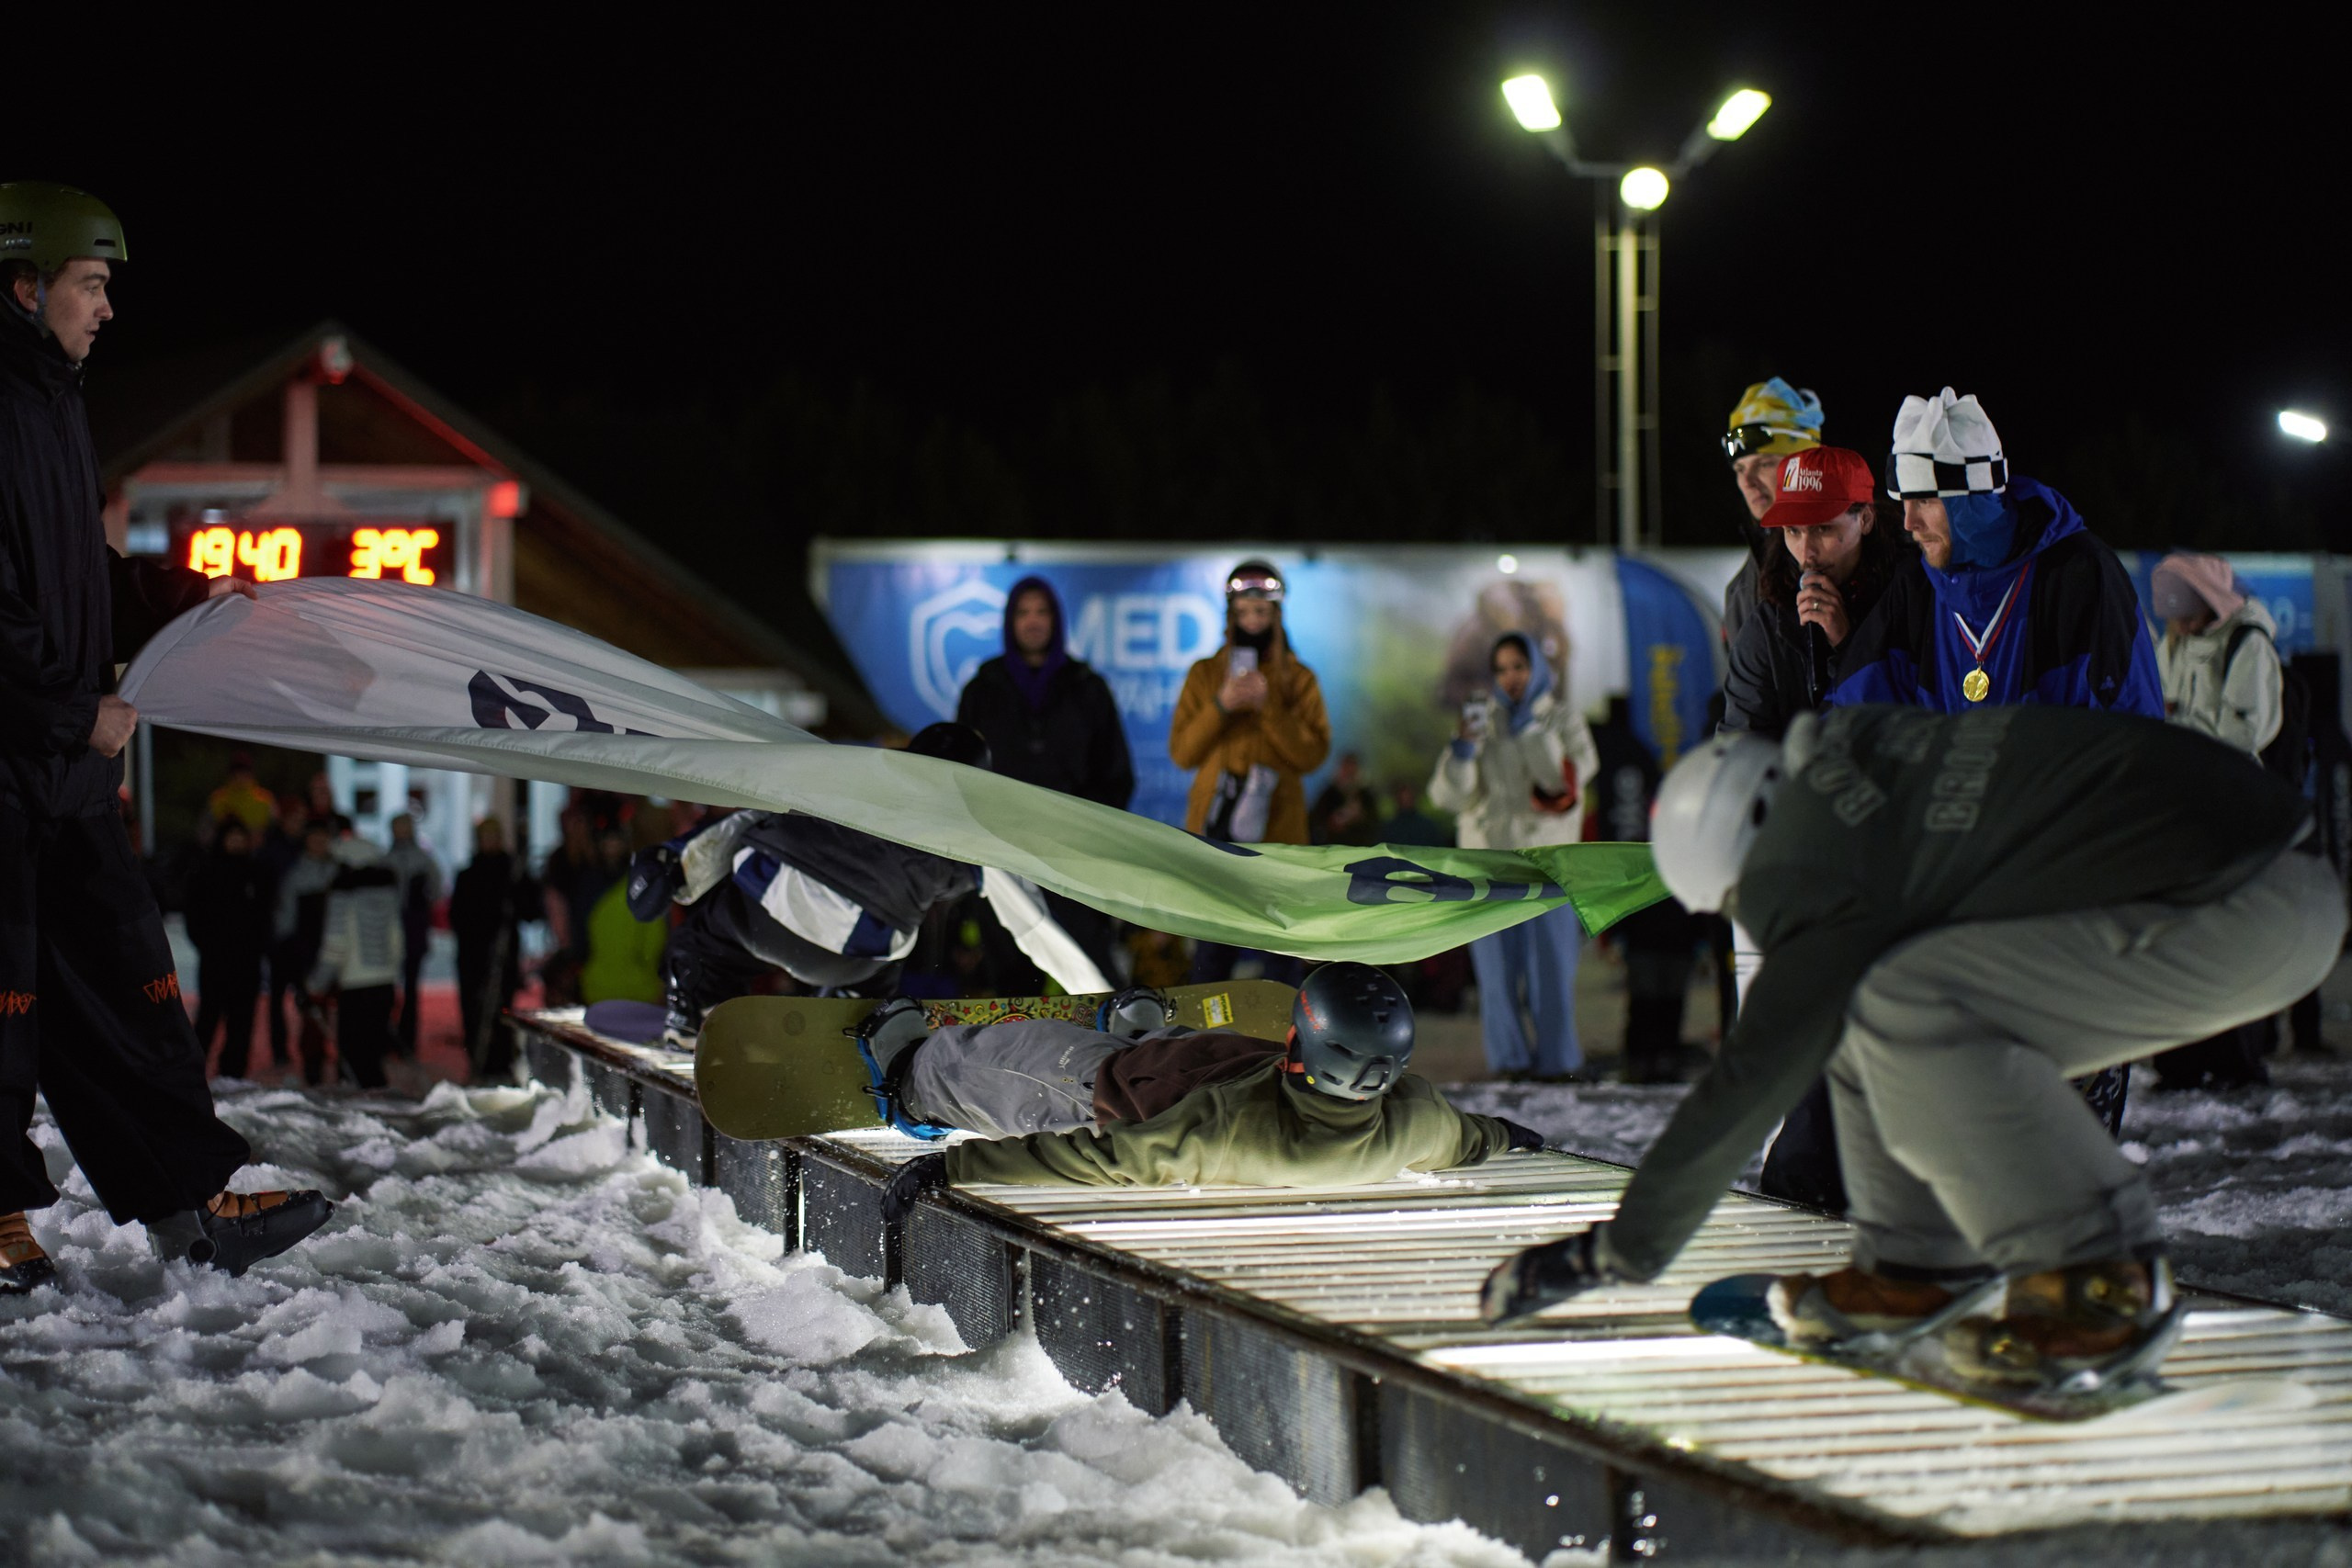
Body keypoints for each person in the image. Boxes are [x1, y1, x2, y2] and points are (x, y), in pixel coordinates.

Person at [1481, 710, 2343, 1394]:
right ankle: (1915, 1263)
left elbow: (1753, 1072)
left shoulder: (1811, 859)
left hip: (2244, 901)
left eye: (1745, 903)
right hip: (2258, 882)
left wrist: (1614, 1251)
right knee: (1883, 992)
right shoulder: (1861, 776)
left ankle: (2098, 1277)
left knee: (1897, 990)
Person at [1, 180, 330, 1291]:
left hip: (64, 775)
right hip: (16, 760)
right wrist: (69, 710)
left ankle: (195, 1194)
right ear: (23, 283)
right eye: (91, 284)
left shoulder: (52, 402)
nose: (107, 308)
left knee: (132, 987)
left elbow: (73, 580)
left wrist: (182, 596)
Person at [874, 963, 1544, 1213]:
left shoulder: (1222, 1135)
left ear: (1297, 1046)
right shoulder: (1419, 1118)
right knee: (1197, 1056)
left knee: (1005, 1058)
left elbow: (1100, 1159)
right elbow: (1468, 1136)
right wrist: (1512, 1137)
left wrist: (954, 1165)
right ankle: (1144, 1040)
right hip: (1190, 1068)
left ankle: (909, 1079)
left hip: (1106, 1095)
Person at [631, 724, 1104, 1047]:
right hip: (851, 957)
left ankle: (692, 1011)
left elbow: (750, 816)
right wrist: (1099, 996)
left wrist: (676, 863)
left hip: (762, 912)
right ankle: (848, 1034)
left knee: (705, 936)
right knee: (888, 959)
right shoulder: (970, 831)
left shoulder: (847, 767)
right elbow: (1036, 926)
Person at [1426, 634, 1600, 1080]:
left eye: (1519, 667)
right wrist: (1463, 750)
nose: (1511, 678)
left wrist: (1530, 733)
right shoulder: (1483, 720)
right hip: (1487, 870)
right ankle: (1509, 1064)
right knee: (1495, 979)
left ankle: (1558, 1064)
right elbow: (1449, 797)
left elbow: (1562, 786)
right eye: (1502, 669)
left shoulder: (1564, 721)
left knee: (1552, 975)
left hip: (1546, 868)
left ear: (1537, 669)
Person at [2148, 552, 2287, 1091]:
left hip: (2229, 809)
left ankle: (2237, 1060)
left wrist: (2181, 731)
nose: (2172, 617)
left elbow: (2243, 736)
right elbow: (2158, 705)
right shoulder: (2176, 641)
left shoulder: (2247, 644)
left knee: (2229, 941)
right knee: (2180, 938)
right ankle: (2181, 1061)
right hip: (2182, 810)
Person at [956, 574, 1135, 989]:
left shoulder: (1088, 689)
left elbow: (1116, 774)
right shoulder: (982, 690)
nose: (1033, 621)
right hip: (1002, 854)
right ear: (1009, 621)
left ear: (1056, 620)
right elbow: (959, 773)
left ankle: (1109, 1054)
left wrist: (1085, 829)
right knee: (1010, 983)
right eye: (1024, 612)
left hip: (1073, 856)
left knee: (1093, 977)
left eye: (1042, 611)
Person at [1168, 560, 1330, 983]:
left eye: (1261, 612)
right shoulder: (1205, 674)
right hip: (1216, 833)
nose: (1253, 621)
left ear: (1277, 616)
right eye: (1243, 612)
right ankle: (1202, 1044)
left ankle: (1282, 1043)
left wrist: (1270, 708)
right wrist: (1221, 705)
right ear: (1230, 614)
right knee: (1211, 948)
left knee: (1281, 951)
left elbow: (1313, 755)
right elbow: (1183, 752)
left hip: (1279, 834)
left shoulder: (1300, 679)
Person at [1719, 447, 1907, 739]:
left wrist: (1848, 645)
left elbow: (1910, 731)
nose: (1806, 553)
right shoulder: (1768, 624)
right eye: (1793, 531)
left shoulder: (1911, 596)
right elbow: (1740, 747)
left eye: (1823, 528)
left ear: (1866, 519)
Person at [1586, 694, 1700, 1083]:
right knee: (1660, 989)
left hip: (1655, 921)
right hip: (1666, 922)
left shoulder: (1625, 764)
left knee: (1654, 990)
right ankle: (1655, 1054)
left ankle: (1649, 1054)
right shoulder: (1674, 835)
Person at [1719, 378, 1826, 649]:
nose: (1748, 482)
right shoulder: (1739, 589)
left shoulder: (1850, 560)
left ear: (1807, 463)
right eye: (1740, 470)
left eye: (1765, 464)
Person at [306, 836, 403, 1089]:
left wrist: (315, 984)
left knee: (353, 1060)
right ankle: (381, 1108)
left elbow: (335, 945)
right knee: (373, 1057)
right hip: (384, 984)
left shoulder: (343, 895)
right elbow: (396, 940)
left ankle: (361, 1116)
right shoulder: (388, 895)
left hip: (355, 986)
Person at [448, 817, 540, 1078]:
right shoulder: (468, 876)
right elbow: (459, 918)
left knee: (500, 1012)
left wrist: (516, 899)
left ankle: (500, 1064)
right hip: (473, 957)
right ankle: (478, 1063)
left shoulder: (513, 872)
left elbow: (531, 911)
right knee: (474, 1013)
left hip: (503, 958)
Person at [185, 817, 272, 1077]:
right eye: (231, 837)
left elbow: (265, 915)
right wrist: (207, 945)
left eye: (240, 837)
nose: (236, 843)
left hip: (247, 960)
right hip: (215, 960)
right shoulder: (206, 873)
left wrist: (259, 945)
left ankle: (233, 1073)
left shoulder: (256, 873)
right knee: (209, 1017)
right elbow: (194, 916)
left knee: (242, 1021)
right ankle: (193, 1073)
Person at [270, 815, 340, 1077]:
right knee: (313, 1015)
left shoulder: (340, 871)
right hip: (310, 952)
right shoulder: (296, 875)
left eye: (324, 837)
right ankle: (313, 1067)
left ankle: (345, 1068)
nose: (320, 842)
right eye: (314, 837)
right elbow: (285, 919)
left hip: (341, 951)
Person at [580, 827, 667, 1005]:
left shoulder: (587, 885)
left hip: (597, 990)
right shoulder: (645, 888)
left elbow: (578, 940)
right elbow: (654, 943)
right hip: (640, 992)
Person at [382, 812, 443, 1059]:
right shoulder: (386, 861)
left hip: (414, 929)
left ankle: (407, 1039)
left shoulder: (423, 860)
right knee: (387, 986)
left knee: (410, 987)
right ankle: (390, 1036)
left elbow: (437, 890)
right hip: (390, 930)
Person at [1308, 752, 1383, 847]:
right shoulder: (1328, 795)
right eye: (1346, 769)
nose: (1348, 774)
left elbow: (1375, 825)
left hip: (1360, 850)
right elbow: (1317, 823)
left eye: (1352, 771)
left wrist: (1359, 818)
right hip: (1332, 849)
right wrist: (1333, 822)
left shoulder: (1366, 797)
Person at [205, 752, 277, 839]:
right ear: (231, 775)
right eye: (237, 772)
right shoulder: (218, 798)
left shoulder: (265, 798)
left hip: (259, 849)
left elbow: (275, 829)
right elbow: (205, 832)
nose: (240, 776)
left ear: (251, 774)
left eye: (244, 772)